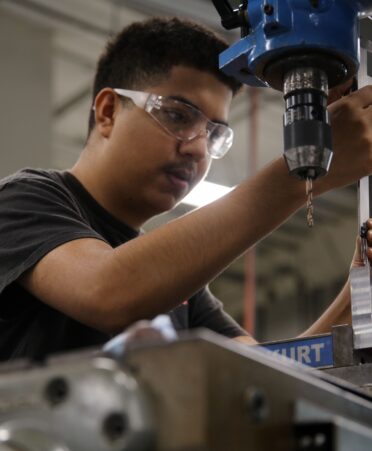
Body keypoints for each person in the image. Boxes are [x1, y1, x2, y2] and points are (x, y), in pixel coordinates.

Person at [0, 17, 372, 361]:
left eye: (214, 133)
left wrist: (358, 293)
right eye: (177, 115)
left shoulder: (181, 294)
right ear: (108, 111)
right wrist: (302, 170)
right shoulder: (23, 201)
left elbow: (267, 376)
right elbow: (108, 292)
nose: (197, 147)